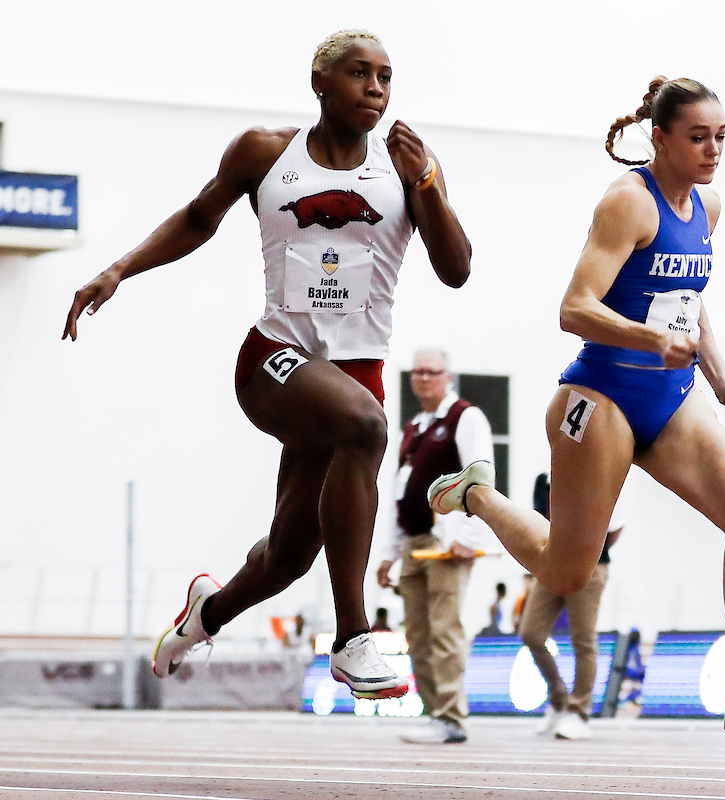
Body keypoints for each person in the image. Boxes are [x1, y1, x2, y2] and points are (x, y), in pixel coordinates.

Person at [63, 29, 472, 699]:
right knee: (367, 429)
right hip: (274, 362)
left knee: (288, 557)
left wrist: (427, 180)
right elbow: (198, 217)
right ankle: (352, 639)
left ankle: (206, 613)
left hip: (353, 375)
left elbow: (455, 269)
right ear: (319, 82)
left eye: (387, 77)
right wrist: (118, 271)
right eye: (359, 73)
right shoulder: (265, 152)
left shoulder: (408, 166)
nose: (376, 87)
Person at [426, 76, 725, 758]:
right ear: (658, 137)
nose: (713, 150)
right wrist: (649, 338)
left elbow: (690, 297)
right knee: (567, 573)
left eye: (721, 137)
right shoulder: (627, 201)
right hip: (597, 397)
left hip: (673, 397)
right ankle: (476, 492)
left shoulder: (708, 206)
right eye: (698, 138)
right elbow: (575, 307)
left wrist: (721, 384)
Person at [375, 347, 493, 744]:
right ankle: (434, 713)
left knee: (444, 630)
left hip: (446, 542)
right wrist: (389, 554)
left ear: (448, 376)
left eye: (432, 371)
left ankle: (451, 717)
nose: (424, 378)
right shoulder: (414, 426)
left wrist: (468, 537)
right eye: (418, 372)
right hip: (412, 542)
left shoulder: (465, 417)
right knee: (418, 635)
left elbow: (480, 475)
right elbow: (399, 489)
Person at [523, 474, 626, 740]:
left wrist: (592, 552)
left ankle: (579, 711)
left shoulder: (597, 470)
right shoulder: (543, 478)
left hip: (590, 564)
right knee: (531, 633)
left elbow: (615, 526)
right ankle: (558, 699)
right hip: (551, 563)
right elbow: (536, 523)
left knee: (583, 638)